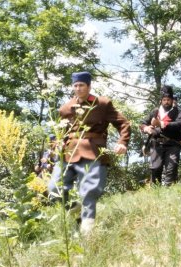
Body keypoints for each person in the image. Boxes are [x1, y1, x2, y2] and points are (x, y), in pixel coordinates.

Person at [48, 71, 130, 235]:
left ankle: (87, 231)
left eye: (81, 85)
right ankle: (75, 209)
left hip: (93, 151)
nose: (78, 89)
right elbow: (58, 132)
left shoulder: (102, 104)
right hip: (68, 153)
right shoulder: (65, 108)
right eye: (75, 85)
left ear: (89, 86)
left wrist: (122, 142)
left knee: (89, 191)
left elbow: (123, 123)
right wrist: (55, 146)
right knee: (53, 189)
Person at [140, 85, 181, 186]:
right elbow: (142, 123)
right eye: (164, 99)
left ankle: (170, 191)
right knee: (155, 168)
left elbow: (179, 125)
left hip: (173, 144)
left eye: (168, 99)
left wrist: (161, 124)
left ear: (172, 100)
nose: (166, 101)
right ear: (161, 101)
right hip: (156, 144)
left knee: (171, 168)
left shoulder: (178, 112)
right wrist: (146, 128)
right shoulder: (155, 111)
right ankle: (156, 193)